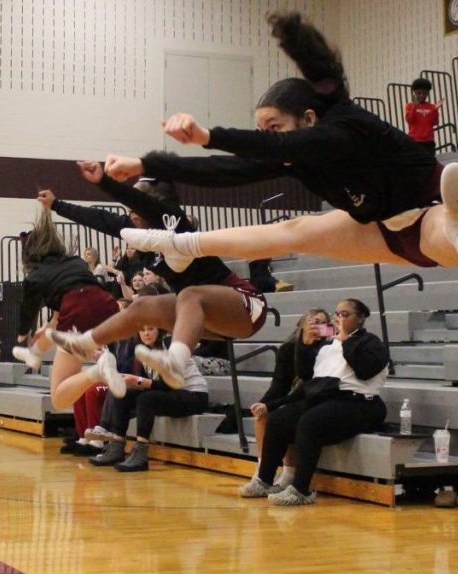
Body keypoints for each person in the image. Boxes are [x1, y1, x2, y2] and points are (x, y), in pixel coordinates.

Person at [111, 12, 458, 270]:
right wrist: (148, 165)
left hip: (431, 205)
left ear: (309, 117)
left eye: (273, 126)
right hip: (383, 227)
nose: (266, 138)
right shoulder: (293, 152)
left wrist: (208, 135)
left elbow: (324, 78)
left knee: (439, 232)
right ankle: (184, 246)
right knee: (293, 232)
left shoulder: (343, 125)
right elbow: (223, 171)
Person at [40, 161, 267, 392]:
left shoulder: (174, 220)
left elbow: (139, 201)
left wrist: (104, 181)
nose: (130, 212)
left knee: (189, 294)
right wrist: (57, 205)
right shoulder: (138, 229)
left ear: (153, 204)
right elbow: (100, 219)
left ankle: (175, 362)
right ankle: (85, 342)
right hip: (208, 320)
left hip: (245, 305)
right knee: (142, 306)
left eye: (134, 205)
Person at [240, 298, 388, 507]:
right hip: (326, 398)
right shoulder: (328, 345)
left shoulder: (371, 343)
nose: (338, 319)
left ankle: (301, 489)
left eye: (345, 315)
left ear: (361, 318)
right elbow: (307, 377)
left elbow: (364, 370)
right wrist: (304, 345)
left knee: (311, 422)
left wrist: (346, 340)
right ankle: (265, 480)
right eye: (337, 314)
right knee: (279, 419)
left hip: (360, 403)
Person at [14, 209, 124, 439]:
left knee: (59, 397)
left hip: (79, 311)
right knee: (51, 331)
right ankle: (95, 359)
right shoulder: (75, 262)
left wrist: (22, 333)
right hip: (107, 306)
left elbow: (27, 309)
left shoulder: (35, 277)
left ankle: (97, 370)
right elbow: (59, 313)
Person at [89, 323, 211, 473]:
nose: (146, 333)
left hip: (194, 395)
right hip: (173, 393)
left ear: (159, 330)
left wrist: (137, 381)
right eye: (142, 330)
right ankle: (116, 446)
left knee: (146, 399)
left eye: (150, 329)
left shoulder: (169, 346)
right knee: (123, 393)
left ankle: (140, 453)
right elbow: (154, 384)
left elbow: (169, 385)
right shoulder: (142, 350)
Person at [249, 309, 329, 484]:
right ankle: (261, 468)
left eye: (324, 324)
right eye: (315, 322)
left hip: (314, 397)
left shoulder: (327, 349)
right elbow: (279, 384)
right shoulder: (287, 349)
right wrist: (265, 404)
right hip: (294, 395)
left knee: (288, 414)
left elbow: (308, 388)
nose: (318, 327)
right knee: (262, 413)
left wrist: (274, 405)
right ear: (301, 325)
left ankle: (290, 472)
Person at [405, 77, 442, 155]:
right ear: (414, 93)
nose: (422, 95)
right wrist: (415, 107)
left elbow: (435, 122)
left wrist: (435, 110)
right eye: (419, 93)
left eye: (424, 93)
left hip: (429, 141)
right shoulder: (410, 106)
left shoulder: (432, 107)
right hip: (415, 141)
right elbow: (409, 120)